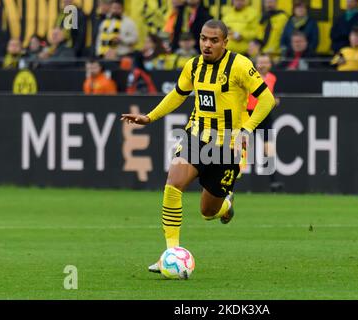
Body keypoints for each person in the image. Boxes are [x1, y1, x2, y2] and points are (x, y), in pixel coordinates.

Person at [120, 20, 275, 273]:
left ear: (225, 42)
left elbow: (267, 99)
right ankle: (171, 253)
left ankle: (226, 205)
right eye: (204, 38)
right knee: (173, 184)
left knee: (208, 211)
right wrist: (150, 117)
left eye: (214, 40)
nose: (207, 44)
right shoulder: (193, 66)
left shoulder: (240, 65)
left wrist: (246, 129)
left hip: (227, 147)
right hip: (197, 138)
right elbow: (178, 94)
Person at [245, 53, 283, 192]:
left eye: (265, 62)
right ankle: (227, 179)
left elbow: (272, 96)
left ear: (270, 64)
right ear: (256, 64)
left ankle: (273, 181)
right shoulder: (250, 77)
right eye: (260, 62)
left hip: (265, 115)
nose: (262, 65)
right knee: (239, 147)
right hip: (248, 115)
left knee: (269, 147)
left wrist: (275, 100)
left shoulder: (273, 78)